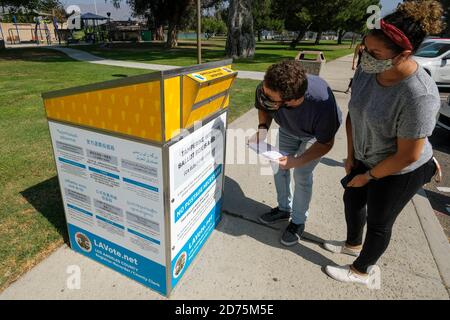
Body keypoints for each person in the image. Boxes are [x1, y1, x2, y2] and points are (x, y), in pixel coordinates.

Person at [324, 0, 443, 285]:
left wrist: (369, 176)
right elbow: (354, 113)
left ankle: (361, 270)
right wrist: (351, 156)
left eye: (375, 52)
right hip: (366, 154)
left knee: (379, 221)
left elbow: (407, 155)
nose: (366, 55)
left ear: (404, 54)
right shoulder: (368, 69)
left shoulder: (418, 95)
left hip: (401, 168)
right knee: (351, 199)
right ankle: (352, 243)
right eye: (366, 47)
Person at [250, 59, 342, 246]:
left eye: (272, 101)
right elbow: (263, 107)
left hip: (314, 136)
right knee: (278, 166)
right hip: (288, 129)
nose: (265, 98)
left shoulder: (322, 104)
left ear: (292, 100)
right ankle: (284, 209)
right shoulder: (270, 86)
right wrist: (262, 129)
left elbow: (326, 144)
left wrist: (297, 160)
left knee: (301, 174)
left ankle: (298, 222)